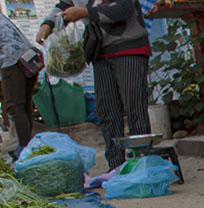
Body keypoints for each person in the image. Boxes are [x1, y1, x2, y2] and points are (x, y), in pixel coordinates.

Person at [37, 0, 151, 170]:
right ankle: (116, 167)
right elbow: (63, 6)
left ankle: (143, 165)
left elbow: (124, 9)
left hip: (129, 48)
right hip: (100, 52)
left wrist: (85, 12)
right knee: (107, 111)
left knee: (134, 107)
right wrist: (47, 24)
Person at [0, 13, 43, 157]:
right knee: (24, 104)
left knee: (15, 106)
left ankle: (24, 148)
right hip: (27, 58)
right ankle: (26, 146)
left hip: (12, 61)